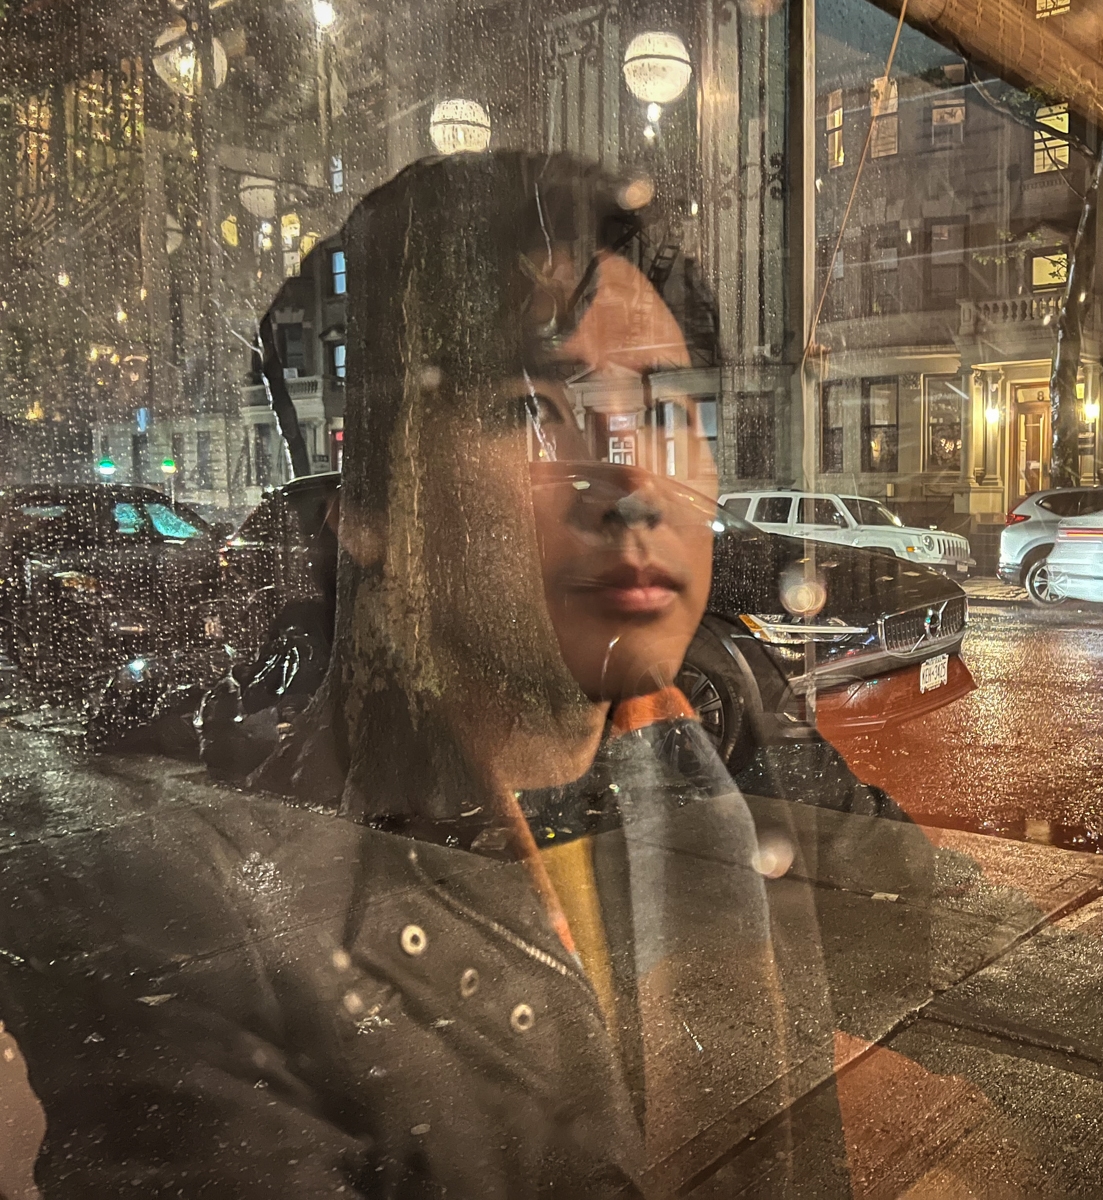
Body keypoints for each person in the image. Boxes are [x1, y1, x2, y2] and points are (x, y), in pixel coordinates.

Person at [0, 150, 929, 1197]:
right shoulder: (206, 903)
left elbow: (955, 946)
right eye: (535, 410)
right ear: (368, 507)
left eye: (668, 413)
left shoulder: (721, 703)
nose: (633, 475)